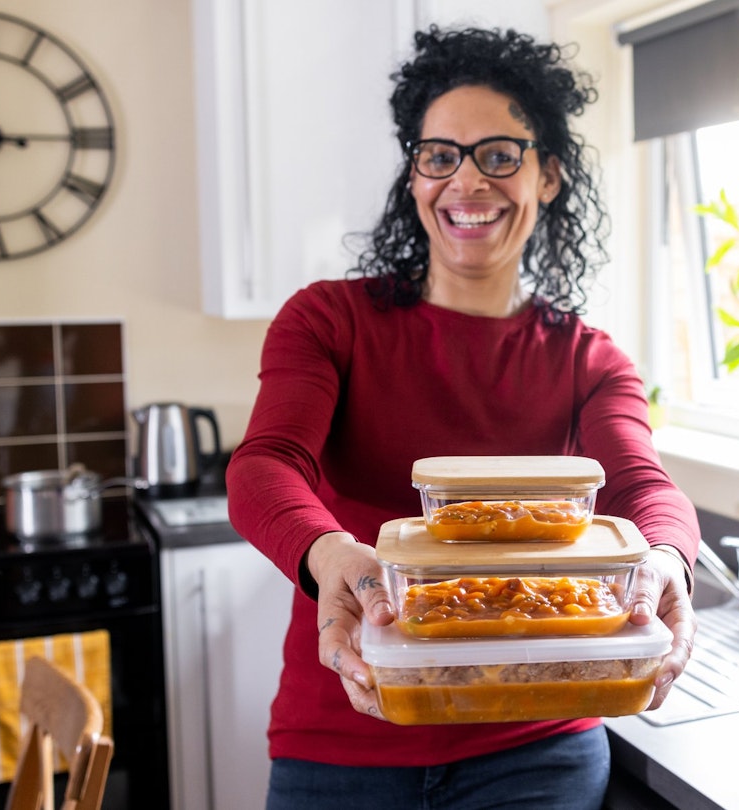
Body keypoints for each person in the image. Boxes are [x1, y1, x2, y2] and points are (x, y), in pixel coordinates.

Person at [226, 25, 700, 810]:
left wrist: (668, 561)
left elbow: (642, 487)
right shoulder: (328, 321)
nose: (466, 182)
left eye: (500, 154)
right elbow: (264, 465)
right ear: (414, 176)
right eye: (439, 155)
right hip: (345, 736)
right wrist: (331, 552)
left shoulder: (590, 359)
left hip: (536, 751)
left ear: (548, 174)